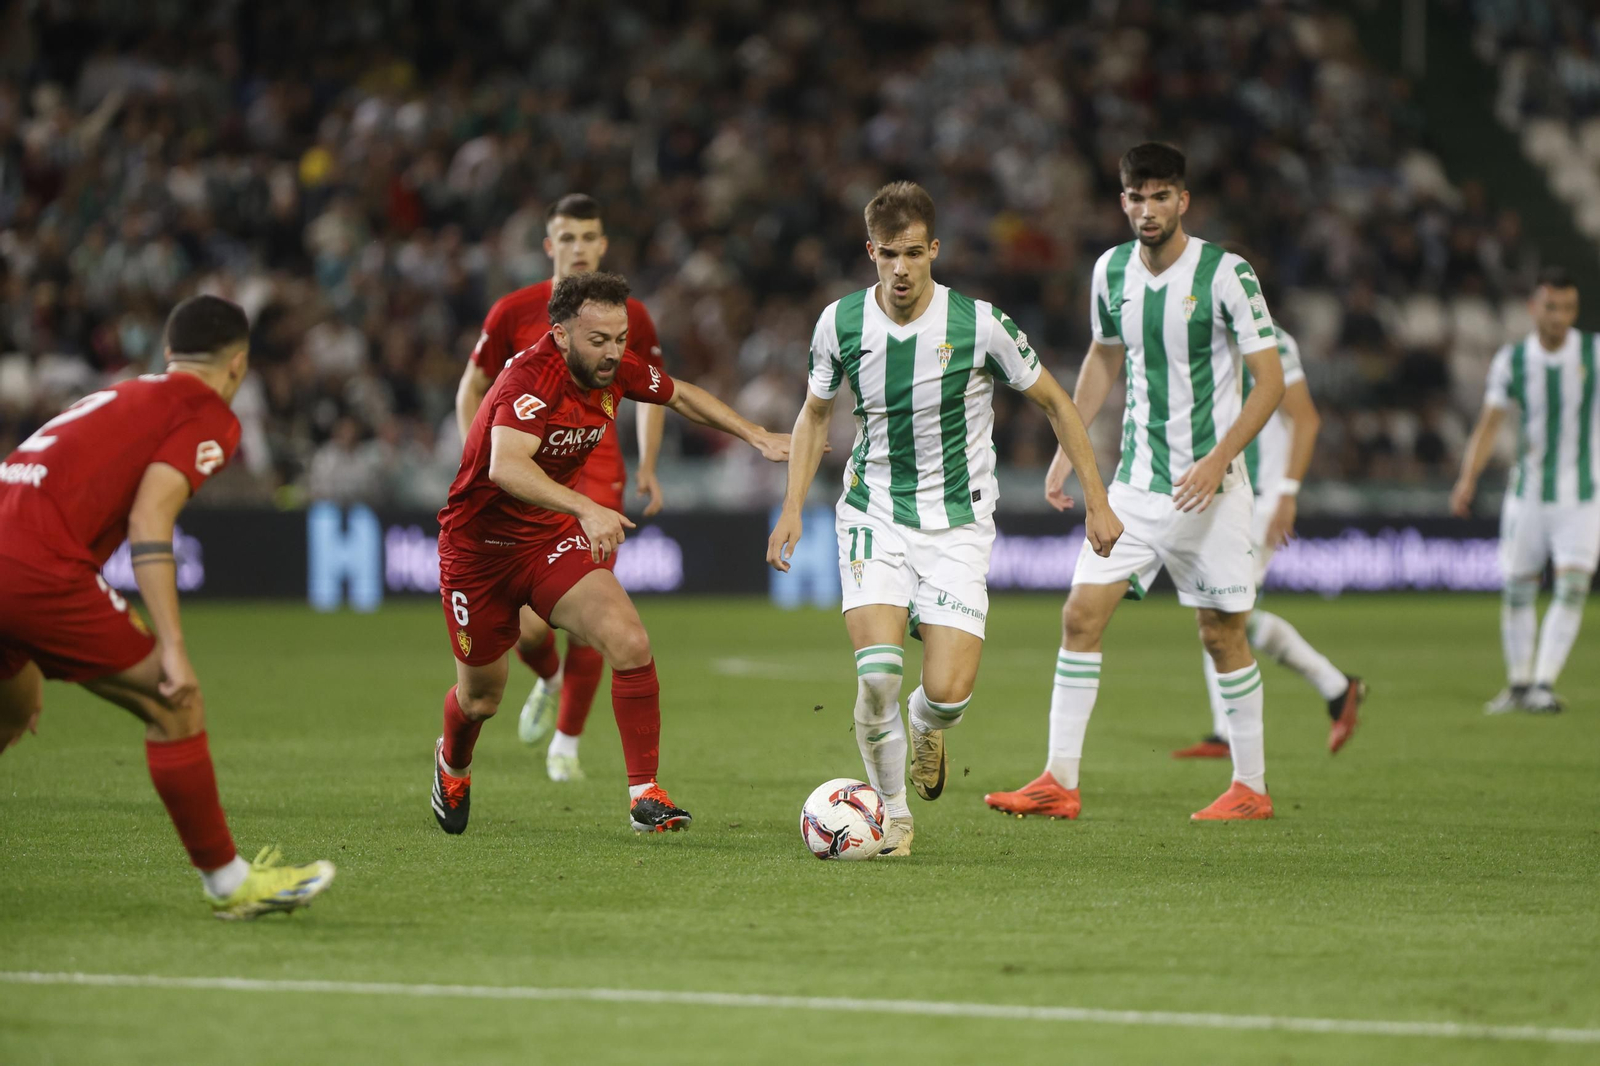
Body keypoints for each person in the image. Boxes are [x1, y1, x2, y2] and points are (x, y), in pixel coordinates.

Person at [767, 181, 1122, 858]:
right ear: (868, 252)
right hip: (874, 512)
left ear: (934, 250)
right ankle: (895, 817)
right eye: (886, 255)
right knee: (877, 673)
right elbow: (814, 415)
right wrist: (791, 509)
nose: (899, 269)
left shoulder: (980, 324)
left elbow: (1055, 401)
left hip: (959, 526)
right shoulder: (839, 323)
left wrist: (1097, 500)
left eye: (912, 254)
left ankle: (928, 727)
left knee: (946, 695)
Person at [0, 295, 335, 918]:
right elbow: (150, 521)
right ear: (238, 365)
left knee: (13, 706)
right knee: (175, 701)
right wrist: (173, 647)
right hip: (36, 567)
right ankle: (229, 882)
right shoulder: (206, 411)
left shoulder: (128, 394)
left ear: (167, 353)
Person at [984, 143, 1286, 823]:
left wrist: (1217, 459)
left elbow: (1270, 383)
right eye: (1136, 197)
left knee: (1221, 634)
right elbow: (1102, 356)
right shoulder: (1110, 270)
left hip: (1213, 491)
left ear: (1184, 201)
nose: (1147, 210)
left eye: (1160, 196)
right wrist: (1071, 443)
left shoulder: (1226, 273)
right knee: (1080, 616)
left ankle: (1251, 788)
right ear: (1122, 203)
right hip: (1136, 487)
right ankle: (1058, 782)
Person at [433, 271, 788, 834]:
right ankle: (452, 764)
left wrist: (757, 434)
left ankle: (644, 795)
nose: (613, 352)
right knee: (481, 700)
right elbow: (505, 466)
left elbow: (679, 394)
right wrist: (585, 506)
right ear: (561, 334)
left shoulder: (614, 370)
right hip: (477, 553)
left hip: (545, 541)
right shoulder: (533, 377)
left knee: (629, 641)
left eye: (620, 338)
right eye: (598, 340)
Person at [455, 193, 666, 782]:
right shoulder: (512, 312)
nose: (579, 248)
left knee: (601, 616)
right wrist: (476, 453)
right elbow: (472, 387)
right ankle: (546, 677)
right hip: (528, 477)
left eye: (589, 237)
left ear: (603, 245)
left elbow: (656, 387)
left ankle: (566, 746)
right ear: (550, 246)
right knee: (526, 627)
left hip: (600, 473)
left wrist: (649, 461)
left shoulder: (631, 315)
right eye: (567, 238)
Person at [1173, 251, 1365, 761]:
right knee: (1220, 607)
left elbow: (1305, 420)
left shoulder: (1275, 343)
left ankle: (1329, 688)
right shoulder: (1205, 340)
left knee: (1224, 609)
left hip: (1257, 501)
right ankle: (1331, 689)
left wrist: (1287, 493)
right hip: (1220, 494)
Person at [1452, 267, 1597, 714]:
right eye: (1552, 307)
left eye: (1569, 308)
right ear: (1534, 308)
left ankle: (1543, 684)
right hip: (1527, 495)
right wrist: (1467, 478)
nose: (1561, 317)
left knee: (1572, 587)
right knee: (1518, 589)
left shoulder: (1593, 353)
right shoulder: (1512, 361)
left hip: (1583, 496)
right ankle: (1518, 684)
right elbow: (1489, 424)